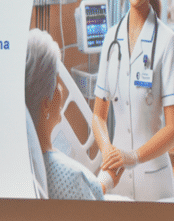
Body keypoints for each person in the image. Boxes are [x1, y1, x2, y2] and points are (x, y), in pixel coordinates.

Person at [92, 0, 174, 201]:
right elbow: (99, 114)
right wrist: (108, 150)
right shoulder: (111, 39)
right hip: (115, 176)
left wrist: (133, 156)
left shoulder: (166, 42)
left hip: (154, 183)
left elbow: (173, 129)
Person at [25, 29, 119, 200]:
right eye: (58, 80)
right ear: (46, 103)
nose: (61, 90)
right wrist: (100, 184)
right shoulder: (75, 179)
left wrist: (100, 184)